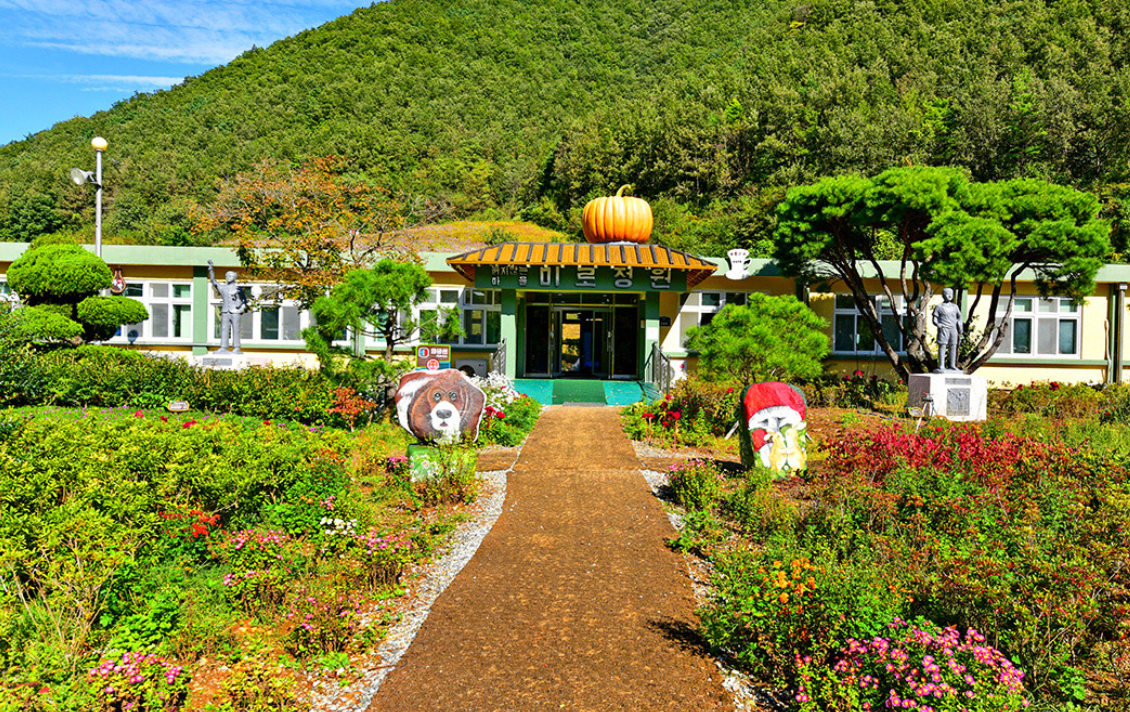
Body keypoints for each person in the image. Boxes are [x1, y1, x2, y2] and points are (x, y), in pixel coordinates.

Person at [207, 260, 248, 354]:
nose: (228, 277)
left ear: (234, 277)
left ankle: (236, 347)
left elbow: (245, 301)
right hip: (225, 311)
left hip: (236, 311)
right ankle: (223, 347)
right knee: (224, 329)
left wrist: (241, 308)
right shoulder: (223, 288)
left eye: (230, 276)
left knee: (236, 329)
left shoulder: (238, 289)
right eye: (227, 276)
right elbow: (213, 281)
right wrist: (211, 268)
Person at [932, 287, 963, 372]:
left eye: (951, 294)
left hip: (953, 329)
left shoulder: (955, 307)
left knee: (953, 346)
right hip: (944, 328)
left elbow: (959, 317)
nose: (949, 296)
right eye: (947, 294)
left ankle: (952, 365)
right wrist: (938, 324)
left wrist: (960, 326)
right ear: (943, 295)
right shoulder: (939, 307)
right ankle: (941, 365)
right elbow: (934, 319)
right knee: (942, 345)